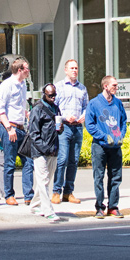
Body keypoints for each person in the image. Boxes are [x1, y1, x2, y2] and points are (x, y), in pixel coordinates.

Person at [85, 75, 127, 218]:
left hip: (115, 146)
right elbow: (89, 124)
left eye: (116, 85)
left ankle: (113, 206)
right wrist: (103, 136)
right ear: (105, 86)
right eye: (114, 85)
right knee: (99, 177)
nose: (116, 87)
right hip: (100, 146)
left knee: (115, 177)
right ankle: (99, 207)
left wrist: (121, 135)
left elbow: (123, 121)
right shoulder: (94, 103)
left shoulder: (117, 103)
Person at [0, 57, 34, 206]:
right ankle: (9, 195)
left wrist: (27, 114)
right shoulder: (7, 85)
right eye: (27, 69)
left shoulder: (23, 85)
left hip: (21, 127)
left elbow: (19, 105)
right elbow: (0, 109)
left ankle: (29, 194)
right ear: (20, 70)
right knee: (9, 162)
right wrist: (9, 128)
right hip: (8, 127)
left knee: (28, 161)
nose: (29, 71)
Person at [52, 59, 88, 205]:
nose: (74, 70)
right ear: (66, 70)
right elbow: (53, 108)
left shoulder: (82, 88)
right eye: (72, 68)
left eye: (76, 68)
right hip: (64, 127)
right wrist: (64, 117)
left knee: (73, 161)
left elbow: (86, 106)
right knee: (62, 159)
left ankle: (68, 192)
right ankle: (56, 191)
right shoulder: (59, 87)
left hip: (77, 127)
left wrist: (84, 116)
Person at [28, 83, 63, 222]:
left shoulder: (55, 108)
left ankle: (35, 204)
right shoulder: (38, 109)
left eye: (54, 95)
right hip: (40, 150)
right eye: (50, 95)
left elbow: (58, 127)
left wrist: (60, 128)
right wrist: (43, 148)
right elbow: (33, 133)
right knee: (43, 180)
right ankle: (48, 210)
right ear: (44, 94)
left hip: (53, 148)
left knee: (45, 179)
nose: (53, 98)